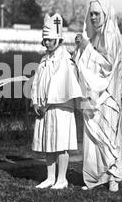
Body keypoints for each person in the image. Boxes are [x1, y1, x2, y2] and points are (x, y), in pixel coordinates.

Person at [74, 0, 122, 192]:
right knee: (93, 138)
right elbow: (82, 63)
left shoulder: (111, 36)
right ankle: (95, 177)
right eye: (91, 14)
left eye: (97, 13)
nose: (93, 17)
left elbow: (108, 65)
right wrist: (80, 48)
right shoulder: (94, 35)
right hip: (92, 95)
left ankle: (113, 176)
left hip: (108, 95)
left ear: (105, 14)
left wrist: (86, 48)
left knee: (109, 136)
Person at [31, 13, 83, 190]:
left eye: (50, 40)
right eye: (45, 40)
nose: (47, 43)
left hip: (60, 108)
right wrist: (36, 102)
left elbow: (61, 84)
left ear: (58, 39)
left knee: (61, 144)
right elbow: (37, 82)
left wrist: (48, 103)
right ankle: (50, 177)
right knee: (48, 143)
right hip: (45, 109)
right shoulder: (44, 59)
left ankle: (62, 178)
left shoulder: (65, 59)